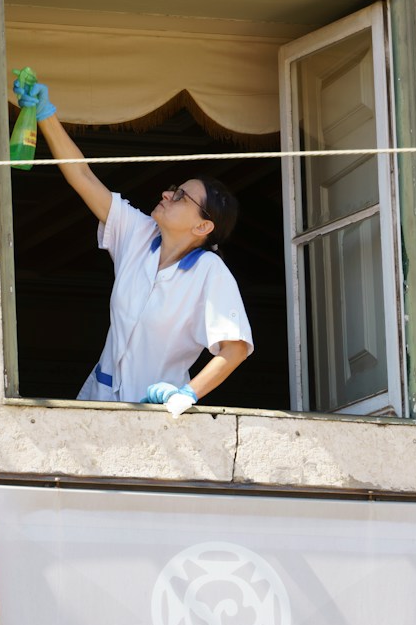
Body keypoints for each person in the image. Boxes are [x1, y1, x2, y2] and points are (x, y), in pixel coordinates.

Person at [16, 75, 253, 415]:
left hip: (155, 414)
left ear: (203, 226)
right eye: (174, 188)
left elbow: (235, 348)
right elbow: (82, 176)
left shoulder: (208, 272)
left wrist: (186, 394)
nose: (166, 194)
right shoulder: (139, 234)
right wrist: (44, 114)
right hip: (97, 404)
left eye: (181, 196)